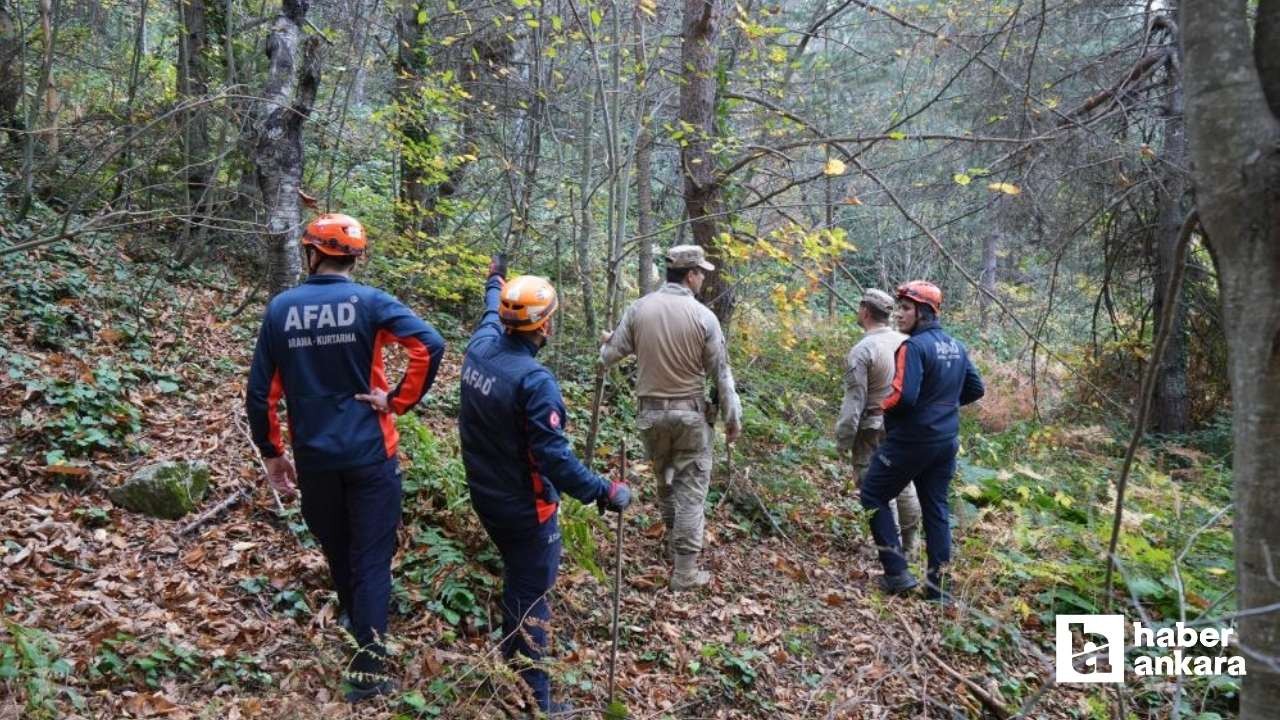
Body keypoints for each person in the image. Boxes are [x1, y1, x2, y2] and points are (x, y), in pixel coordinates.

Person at [245, 213, 446, 702]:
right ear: (356, 257)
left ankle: (359, 627)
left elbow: (260, 394)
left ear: (312, 253)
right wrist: (396, 401)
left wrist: (273, 454)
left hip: (314, 456)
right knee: (372, 559)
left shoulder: (281, 310)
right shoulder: (371, 302)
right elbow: (429, 345)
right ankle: (369, 670)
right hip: (371, 453)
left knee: (337, 549)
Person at [458, 257, 631, 717]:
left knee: (519, 580)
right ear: (545, 326)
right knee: (531, 592)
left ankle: (514, 666)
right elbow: (554, 458)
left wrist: (494, 280)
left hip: (485, 492)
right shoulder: (535, 382)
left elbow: (489, 309)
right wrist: (603, 491)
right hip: (523, 507)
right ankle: (536, 697)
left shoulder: (481, 347)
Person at [599, 245, 742, 590]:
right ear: (690, 275)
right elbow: (720, 374)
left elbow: (608, 356)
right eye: (701, 272)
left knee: (666, 480)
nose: (703, 278)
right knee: (691, 489)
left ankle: (670, 542)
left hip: (651, 416)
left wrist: (612, 341)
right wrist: (732, 418)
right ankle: (685, 571)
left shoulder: (639, 309)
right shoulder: (704, 317)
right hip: (690, 417)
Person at [858, 280, 984, 603]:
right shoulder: (956, 346)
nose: (899, 315)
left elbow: (904, 397)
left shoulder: (912, 347)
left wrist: (879, 406)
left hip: (912, 440)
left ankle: (897, 572)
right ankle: (939, 589)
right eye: (899, 307)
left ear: (924, 313)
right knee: (936, 508)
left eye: (906, 308)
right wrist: (943, 406)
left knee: (873, 491)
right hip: (945, 441)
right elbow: (975, 389)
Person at [834, 289, 921, 557]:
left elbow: (855, 400)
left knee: (875, 486)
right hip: (904, 425)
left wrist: (844, 438)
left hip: (873, 426)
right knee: (904, 481)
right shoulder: (907, 342)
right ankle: (911, 545)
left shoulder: (863, 350)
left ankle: (889, 548)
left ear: (865, 311)